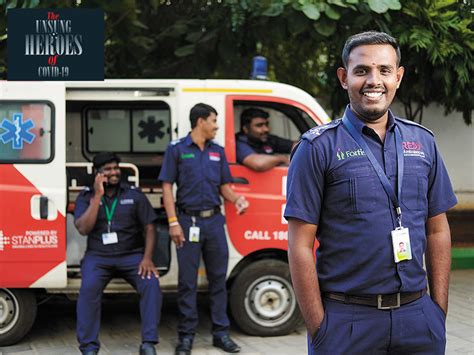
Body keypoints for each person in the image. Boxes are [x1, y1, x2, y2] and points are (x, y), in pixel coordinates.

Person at [285, 31, 457, 355]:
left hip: (418, 319)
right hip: (347, 322)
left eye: (384, 70)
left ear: (398, 77)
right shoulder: (317, 148)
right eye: (361, 70)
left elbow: (437, 229)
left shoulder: (423, 143)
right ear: (343, 78)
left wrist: (438, 310)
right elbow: (300, 244)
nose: (373, 80)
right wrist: (320, 328)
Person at [159, 103, 249, 355]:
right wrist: (173, 222)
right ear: (200, 121)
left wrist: (237, 200)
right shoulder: (176, 149)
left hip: (214, 223)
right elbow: (167, 188)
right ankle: (186, 337)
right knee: (187, 283)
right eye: (213, 121)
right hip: (187, 223)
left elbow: (224, 187)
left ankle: (221, 334)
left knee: (218, 280)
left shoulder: (217, 152)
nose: (216, 126)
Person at [75, 152, 162, 355]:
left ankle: (148, 343)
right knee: (88, 289)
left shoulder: (133, 194)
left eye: (116, 168)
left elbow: (150, 226)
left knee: (151, 284)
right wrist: (97, 195)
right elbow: (83, 229)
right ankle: (88, 347)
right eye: (108, 169)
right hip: (98, 257)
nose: (114, 173)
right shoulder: (86, 196)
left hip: (131, 255)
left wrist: (147, 258)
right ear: (97, 173)